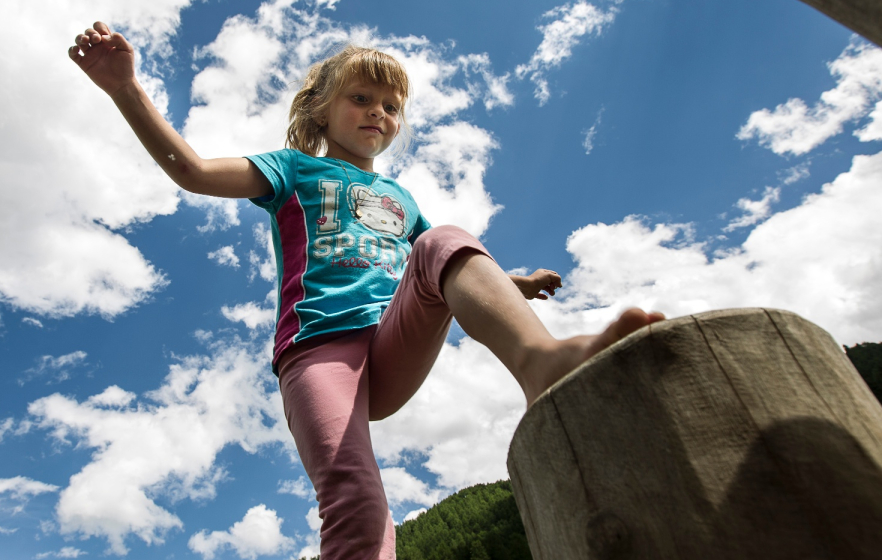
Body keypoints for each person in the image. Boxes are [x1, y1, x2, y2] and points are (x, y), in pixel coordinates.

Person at [69, 22, 664, 560]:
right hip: (320, 351)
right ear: (320, 110)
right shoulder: (295, 168)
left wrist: (515, 282)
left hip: (390, 343)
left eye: (391, 106)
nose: (378, 112)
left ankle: (542, 362)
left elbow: (443, 262)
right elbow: (193, 171)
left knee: (444, 237)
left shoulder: (402, 199)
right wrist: (125, 88)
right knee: (358, 505)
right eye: (360, 98)